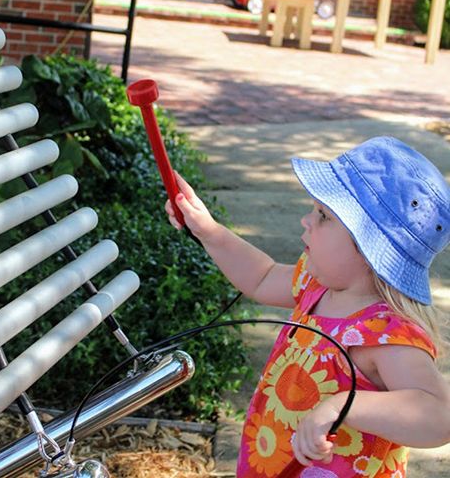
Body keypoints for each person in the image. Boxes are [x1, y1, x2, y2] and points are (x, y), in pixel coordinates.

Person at [165, 136, 450, 477]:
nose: (306, 220)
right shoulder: (315, 287)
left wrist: (343, 405)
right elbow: (261, 276)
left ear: (369, 247)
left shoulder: (384, 334)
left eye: (323, 215)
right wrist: (208, 231)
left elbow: (437, 417)